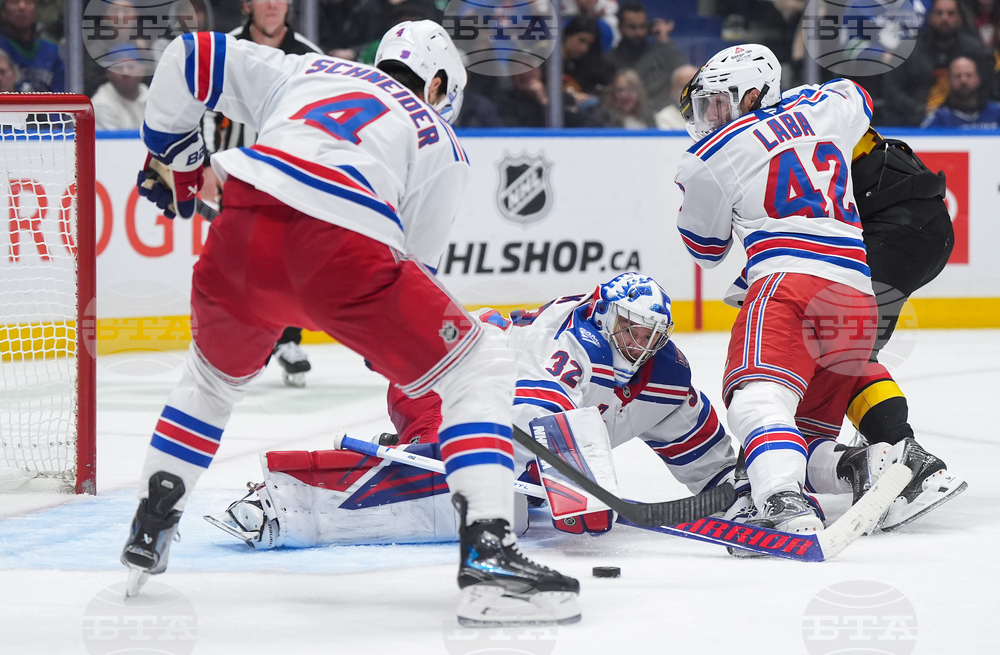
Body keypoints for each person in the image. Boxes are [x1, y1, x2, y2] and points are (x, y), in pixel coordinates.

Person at [121, 21, 580, 626]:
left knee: (208, 385)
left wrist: (181, 164)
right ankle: (489, 557)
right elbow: (413, 273)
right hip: (343, 258)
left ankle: (150, 530)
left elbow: (189, 54)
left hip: (238, 240)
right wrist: (413, 372)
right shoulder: (438, 135)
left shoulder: (304, 70)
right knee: (482, 367)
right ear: (437, 82)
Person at [207, 273, 743, 548]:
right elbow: (538, 420)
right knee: (493, 503)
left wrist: (754, 493)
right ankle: (289, 499)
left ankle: (408, 456)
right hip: (437, 378)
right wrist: (580, 490)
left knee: (511, 501)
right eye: (630, 327)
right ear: (605, 318)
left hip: (485, 406)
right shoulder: (572, 338)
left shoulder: (668, 379)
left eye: (651, 334)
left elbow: (714, 467)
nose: (639, 343)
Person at [676, 44, 960, 535]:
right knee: (805, 436)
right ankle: (882, 465)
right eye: (706, 106)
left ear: (752, 95)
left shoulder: (707, 156)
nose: (710, 116)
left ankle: (780, 501)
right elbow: (858, 96)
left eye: (720, 102)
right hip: (854, 290)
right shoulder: (829, 107)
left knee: (756, 396)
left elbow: (706, 250)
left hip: (791, 281)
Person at [200, 0, 325, 387]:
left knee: (287, 260)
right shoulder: (226, 52)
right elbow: (201, 105)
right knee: (233, 259)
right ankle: (229, 347)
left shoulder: (310, 57)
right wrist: (204, 162)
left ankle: (287, 339)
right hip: (235, 172)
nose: (272, 4)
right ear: (246, 4)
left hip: (288, 177)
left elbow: (324, 117)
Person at [882, 0, 991, 126]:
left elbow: (986, 87)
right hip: (912, 122)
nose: (945, 18)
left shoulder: (974, 49)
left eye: (951, 13)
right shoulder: (907, 49)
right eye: (939, 13)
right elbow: (891, 90)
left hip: (966, 121)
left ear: (959, 17)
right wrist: (919, 109)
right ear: (929, 16)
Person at [603, 1, 687, 113]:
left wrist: (664, 40)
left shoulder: (659, 52)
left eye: (642, 27)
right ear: (620, 27)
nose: (638, 32)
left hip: (660, 115)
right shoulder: (609, 60)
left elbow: (684, 73)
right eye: (632, 27)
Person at [0, 0, 62, 92]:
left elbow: (63, 96)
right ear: (3, 11)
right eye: (14, 2)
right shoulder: (2, 46)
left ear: (35, 9)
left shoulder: (52, 51)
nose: (22, 7)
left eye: (28, 2)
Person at [921, 55, 1000, 127]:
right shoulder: (938, 118)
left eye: (969, 75)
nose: (963, 80)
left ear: (978, 79)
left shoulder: (996, 112)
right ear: (949, 81)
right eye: (957, 76)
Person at [91, 49, 148, 130]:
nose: (125, 72)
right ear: (108, 72)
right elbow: (112, 142)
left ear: (142, 70)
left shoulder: (153, 98)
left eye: (131, 66)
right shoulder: (101, 104)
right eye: (118, 67)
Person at [589, 68, 654, 128]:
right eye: (619, 90)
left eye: (629, 90)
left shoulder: (648, 118)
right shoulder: (601, 120)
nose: (623, 95)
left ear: (638, 93)